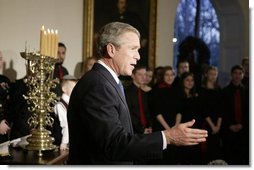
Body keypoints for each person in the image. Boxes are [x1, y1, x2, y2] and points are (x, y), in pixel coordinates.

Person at [67, 22, 208, 165]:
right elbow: (114, 144)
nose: (138, 56)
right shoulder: (98, 85)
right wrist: (167, 137)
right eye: (133, 49)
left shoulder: (107, 81)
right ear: (111, 49)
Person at [53, 75, 77, 151]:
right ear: (64, 89)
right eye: (73, 88)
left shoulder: (72, 103)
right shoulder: (60, 105)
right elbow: (65, 124)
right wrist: (64, 142)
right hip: (61, 142)